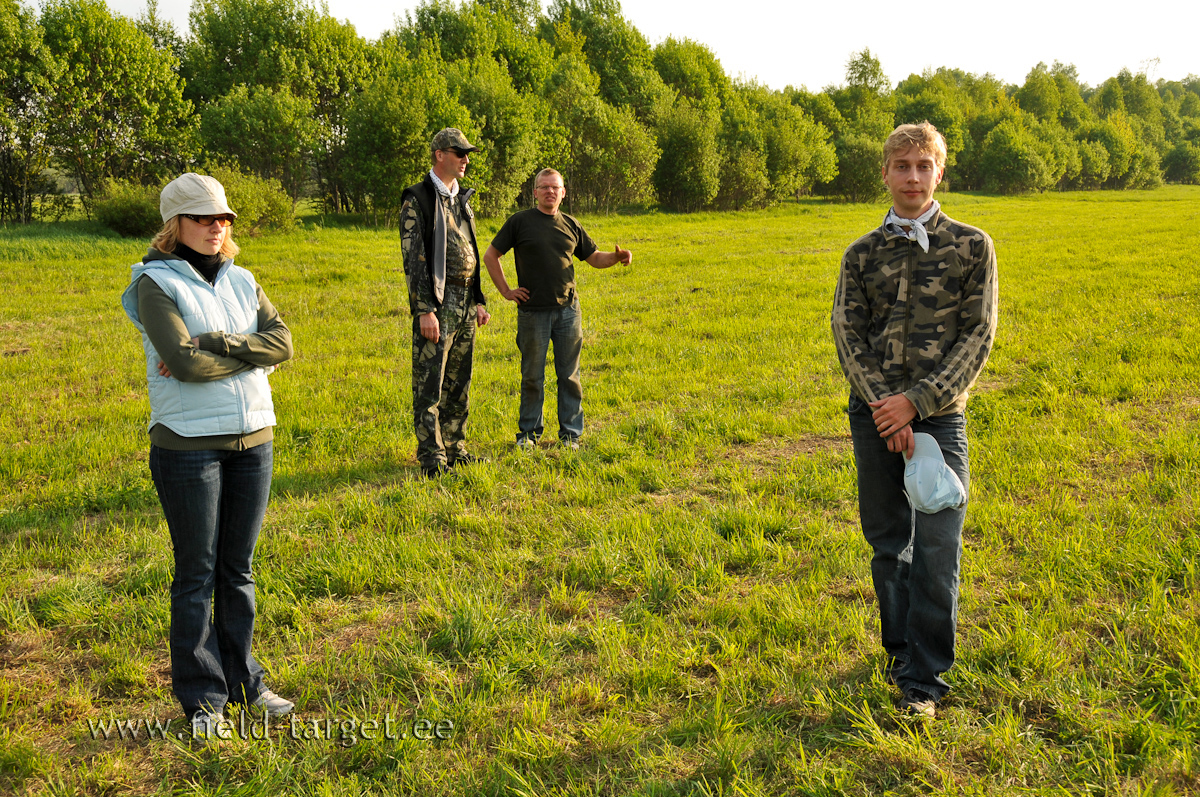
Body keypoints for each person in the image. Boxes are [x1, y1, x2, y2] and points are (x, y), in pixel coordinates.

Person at [831, 122, 998, 719]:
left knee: (937, 545)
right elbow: (848, 334)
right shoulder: (861, 254)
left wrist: (918, 403)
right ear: (885, 173)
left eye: (923, 166)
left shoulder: (972, 246)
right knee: (888, 544)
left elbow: (978, 335)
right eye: (901, 165)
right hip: (874, 417)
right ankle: (900, 652)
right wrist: (886, 407)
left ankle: (925, 682)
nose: (911, 176)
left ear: (939, 172)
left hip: (940, 419)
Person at [121, 173, 295, 739]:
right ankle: (203, 701)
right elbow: (184, 365)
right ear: (176, 225)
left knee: (238, 572)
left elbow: (284, 343)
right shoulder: (154, 283)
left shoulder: (244, 280)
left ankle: (247, 682)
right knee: (196, 574)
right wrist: (250, 354)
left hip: (254, 440)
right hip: (188, 448)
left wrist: (217, 344)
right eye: (202, 218)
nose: (216, 227)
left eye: (223, 219)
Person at [483, 168, 631, 449]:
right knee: (532, 376)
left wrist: (617, 257)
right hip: (532, 312)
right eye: (544, 187)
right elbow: (491, 255)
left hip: (568, 311)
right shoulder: (519, 222)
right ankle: (528, 435)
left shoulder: (571, 224)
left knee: (569, 375)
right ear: (535, 192)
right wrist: (505, 290)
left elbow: (595, 257)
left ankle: (571, 435)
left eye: (555, 187)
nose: (550, 191)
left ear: (563, 193)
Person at [400, 128, 490, 477]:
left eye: (467, 153)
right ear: (439, 154)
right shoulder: (418, 199)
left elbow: (472, 252)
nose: (466, 159)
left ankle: (455, 447)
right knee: (430, 383)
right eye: (459, 152)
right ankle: (432, 457)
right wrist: (424, 309)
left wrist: (478, 300)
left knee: (458, 381)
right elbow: (414, 259)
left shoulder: (461, 199)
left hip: (465, 303)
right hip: (438, 304)